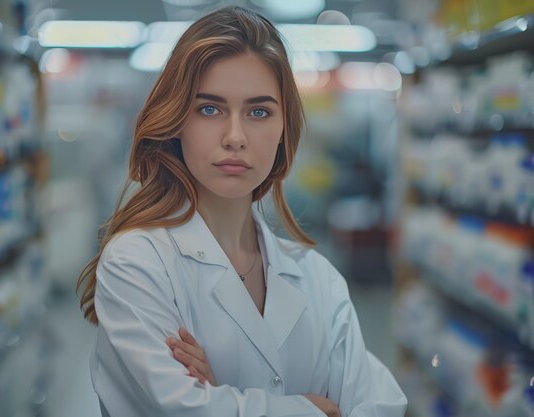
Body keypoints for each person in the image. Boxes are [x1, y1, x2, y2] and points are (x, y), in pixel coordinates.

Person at [77, 6, 407, 417]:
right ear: (178, 120)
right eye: (210, 109)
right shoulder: (138, 262)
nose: (235, 137)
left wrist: (223, 397)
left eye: (258, 112)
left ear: (284, 128)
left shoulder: (318, 279)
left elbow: (381, 406)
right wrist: (310, 408)